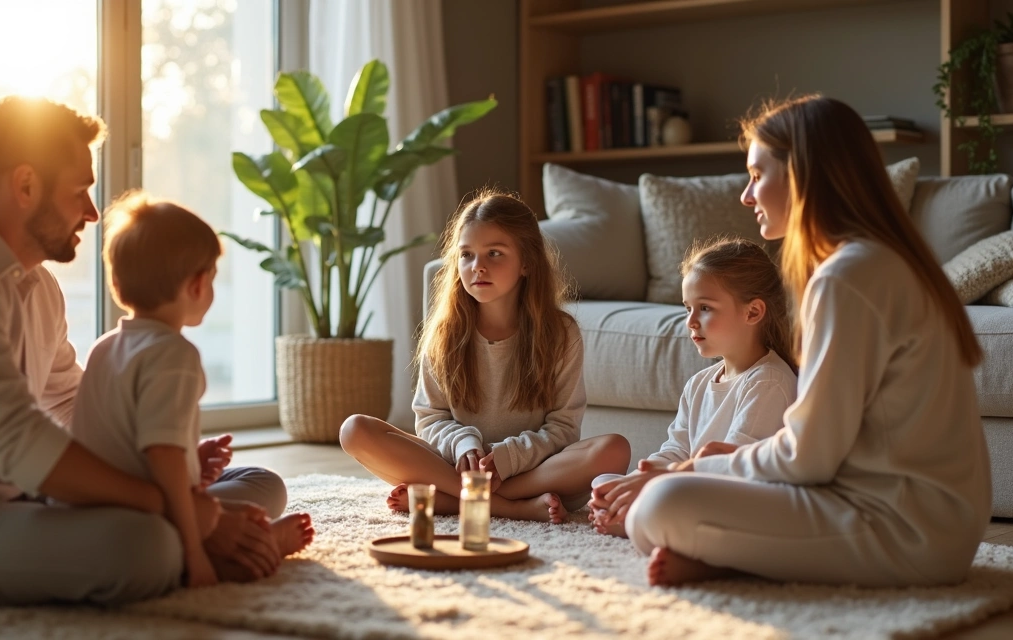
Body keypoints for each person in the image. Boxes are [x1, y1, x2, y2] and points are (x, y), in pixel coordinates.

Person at [0, 96, 281, 606]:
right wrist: (174, 505)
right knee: (150, 547)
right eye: (80, 192)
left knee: (259, 485)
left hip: (16, 500)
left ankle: (201, 539)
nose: (94, 213)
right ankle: (196, 547)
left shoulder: (36, 286)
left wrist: (173, 464)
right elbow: (19, 441)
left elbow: (73, 407)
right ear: (26, 185)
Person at [625, 95, 991, 588]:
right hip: (937, 526)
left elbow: (808, 457)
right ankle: (730, 559)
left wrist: (701, 466)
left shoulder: (848, 276)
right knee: (661, 496)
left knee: (655, 508)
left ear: (800, 173)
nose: (746, 196)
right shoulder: (879, 261)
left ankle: (734, 560)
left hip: (904, 531)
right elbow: (824, 450)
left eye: (757, 175)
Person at [338, 189, 630, 524]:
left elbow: (563, 428)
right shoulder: (445, 331)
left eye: (494, 253)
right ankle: (505, 507)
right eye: (466, 255)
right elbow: (430, 418)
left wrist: (507, 458)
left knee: (614, 449)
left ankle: (456, 500)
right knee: (354, 429)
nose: (477, 267)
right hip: (457, 464)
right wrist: (464, 444)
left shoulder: (560, 334)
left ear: (527, 263)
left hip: (530, 473)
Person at [70, 190, 314, 588]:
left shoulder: (105, 345)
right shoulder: (174, 355)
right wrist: (197, 552)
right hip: (146, 514)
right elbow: (162, 456)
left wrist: (192, 462)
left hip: (97, 508)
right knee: (267, 489)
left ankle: (222, 530)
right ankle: (257, 542)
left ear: (115, 282)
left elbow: (133, 444)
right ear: (198, 285)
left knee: (257, 478)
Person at [587, 238, 797, 537]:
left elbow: (735, 467)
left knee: (659, 503)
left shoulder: (769, 381)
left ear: (752, 312)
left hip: (731, 494)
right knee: (605, 481)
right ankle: (629, 512)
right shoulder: (699, 383)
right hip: (688, 483)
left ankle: (636, 517)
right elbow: (676, 449)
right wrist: (637, 477)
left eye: (705, 308)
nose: (691, 321)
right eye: (687, 308)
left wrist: (650, 484)